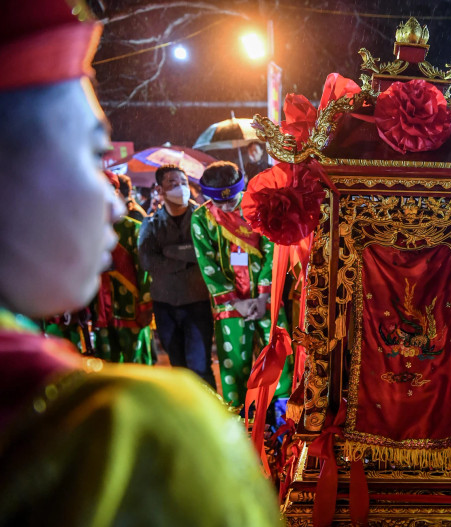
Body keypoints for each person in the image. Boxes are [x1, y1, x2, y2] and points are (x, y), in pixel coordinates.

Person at [0, 2, 282, 525]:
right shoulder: (138, 431)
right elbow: (181, 259)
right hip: (203, 306)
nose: (114, 203)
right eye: (92, 154)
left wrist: (261, 294)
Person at [191, 161, 292, 408]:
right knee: (233, 362)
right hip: (230, 302)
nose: (227, 206)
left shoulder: (258, 207)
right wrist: (237, 302)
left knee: (279, 354)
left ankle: (281, 415)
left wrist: (261, 297)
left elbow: (273, 250)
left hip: (265, 297)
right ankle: (238, 419)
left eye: (232, 199)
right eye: (219, 203)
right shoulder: (202, 219)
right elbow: (208, 264)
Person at [138, 165, 216, 388]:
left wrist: (170, 252)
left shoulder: (204, 218)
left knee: (200, 366)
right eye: (172, 182)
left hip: (197, 303)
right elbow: (148, 262)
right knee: (179, 368)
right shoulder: (151, 224)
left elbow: (208, 254)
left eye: (182, 181)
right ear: (160, 190)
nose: (179, 186)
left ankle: (211, 417)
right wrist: (188, 256)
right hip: (165, 306)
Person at [91, 170, 154, 364]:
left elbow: (145, 269)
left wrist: (146, 305)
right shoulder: (86, 229)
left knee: (136, 363)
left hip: (130, 308)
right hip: (98, 309)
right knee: (106, 365)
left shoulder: (133, 228)